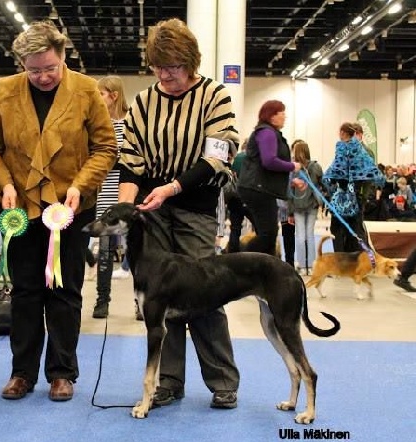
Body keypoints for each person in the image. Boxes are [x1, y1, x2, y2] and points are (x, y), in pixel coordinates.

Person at [0, 20, 116, 403]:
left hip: (70, 208)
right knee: (24, 292)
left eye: (49, 68)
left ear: (63, 56)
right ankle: (21, 373)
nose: (41, 76)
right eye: (33, 69)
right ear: (21, 63)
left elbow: (106, 148)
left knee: (65, 292)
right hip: (20, 207)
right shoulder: (6, 90)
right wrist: (4, 183)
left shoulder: (86, 89)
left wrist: (79, 186)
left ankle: (62, 373)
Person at [117, 18, 240, 409]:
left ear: (191, 61)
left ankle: (222, 381)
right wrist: (127, 208)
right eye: (158, 66)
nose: (165, 74)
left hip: (196, 202)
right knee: (158, 301)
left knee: (205, 293)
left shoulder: (214, 95)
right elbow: (131, 162)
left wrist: (172, 187)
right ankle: (168, 381)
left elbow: (218, 154)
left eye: (173, 66)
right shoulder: (142, 102)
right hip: (152, 208)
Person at [238, 100, 303, 256]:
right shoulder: (267, 133)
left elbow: (266, 167)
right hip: (257, 190)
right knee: (268, 234)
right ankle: (238, 261)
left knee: (268, 234)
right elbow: (269, 161)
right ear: (272, 116)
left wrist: (291, 181)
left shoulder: (267, 133)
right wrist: (292, 166)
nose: (285, 116)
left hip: (260, 188)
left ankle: (263, 271)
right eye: (282, 113)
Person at [91, 75, 129, 319]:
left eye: (101, 94)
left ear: (114, 95)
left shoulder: (129, 124)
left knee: (133, 251)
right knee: (104, 250)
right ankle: (102, 299)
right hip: (102, 194)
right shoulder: (96, 124)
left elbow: (128, 159)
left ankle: (140, 302)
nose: (97, 98)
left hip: (125, 192)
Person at [323, 122, 384, 252]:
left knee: (341, 229)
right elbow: (371, 175)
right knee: (354, 230)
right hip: (355, 196)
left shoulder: (344, 149)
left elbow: (335, 174)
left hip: (346, 196)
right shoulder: (363, 152)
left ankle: (344, 260)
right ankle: (359, 261)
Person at [288, 141, 323, 274]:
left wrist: (290, 212)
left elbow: (289, 193)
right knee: (310, 235)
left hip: (297, 207)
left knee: (300, 236)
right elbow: (323, 184)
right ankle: (312, 266)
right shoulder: (316, 167)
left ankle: (303, 266)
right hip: (312, 205)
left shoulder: (293, 169)